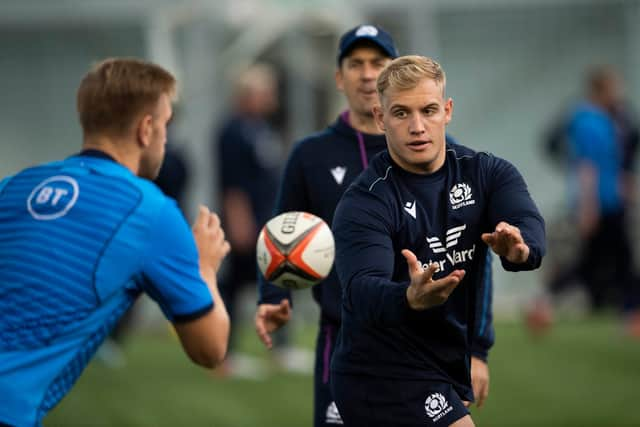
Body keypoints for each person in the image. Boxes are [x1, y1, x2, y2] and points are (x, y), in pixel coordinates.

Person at [254, 26, 494, 427]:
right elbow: (282, 232)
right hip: (343, 341)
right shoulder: (310, 155)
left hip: (424, 345)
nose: (367, 74)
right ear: (339, 77)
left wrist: (478, 350)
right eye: (356, 64)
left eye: (377, 63)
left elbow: (475, 254)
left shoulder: (435, 152)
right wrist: (272, 296)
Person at [0, 58, 230, 427]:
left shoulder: (12, 187)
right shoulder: (149, 210)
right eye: (166, 125)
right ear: (146, 129)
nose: (167, 139)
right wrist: (205, 267)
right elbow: (211, 348)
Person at [329, 55, 545, 427]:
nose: (417, 126)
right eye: (401, 113)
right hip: (382, 371)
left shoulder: (487, 174)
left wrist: (520, 247)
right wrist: (408, 297)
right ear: (381, 119)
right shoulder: (365, 201)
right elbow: (361, 289)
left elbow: (528, 223)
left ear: (447, 111)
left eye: (428, 110)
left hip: (444, 361)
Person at [529, 66, 640, 334]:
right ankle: (631, 316)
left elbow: (610, 163)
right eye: (614, 88)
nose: (618, 94)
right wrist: (588, 207)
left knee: (595, 262)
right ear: (600, 89)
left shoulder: (608, 118)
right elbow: (586, 166)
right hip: (601, 203)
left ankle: (544, 300)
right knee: (612, 261)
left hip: (610, 199)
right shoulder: (588, 120)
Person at [215, 63, 294, 376]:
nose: (270, 97)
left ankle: (279, 349)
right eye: (264, 92)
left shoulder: (261, 128)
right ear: (247, 95)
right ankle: (223, 356)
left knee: (278, 278)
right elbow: (232, 183)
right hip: (246, 223)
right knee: (235, 285)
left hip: (267, 220)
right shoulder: (232, 131)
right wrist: (239, 222)